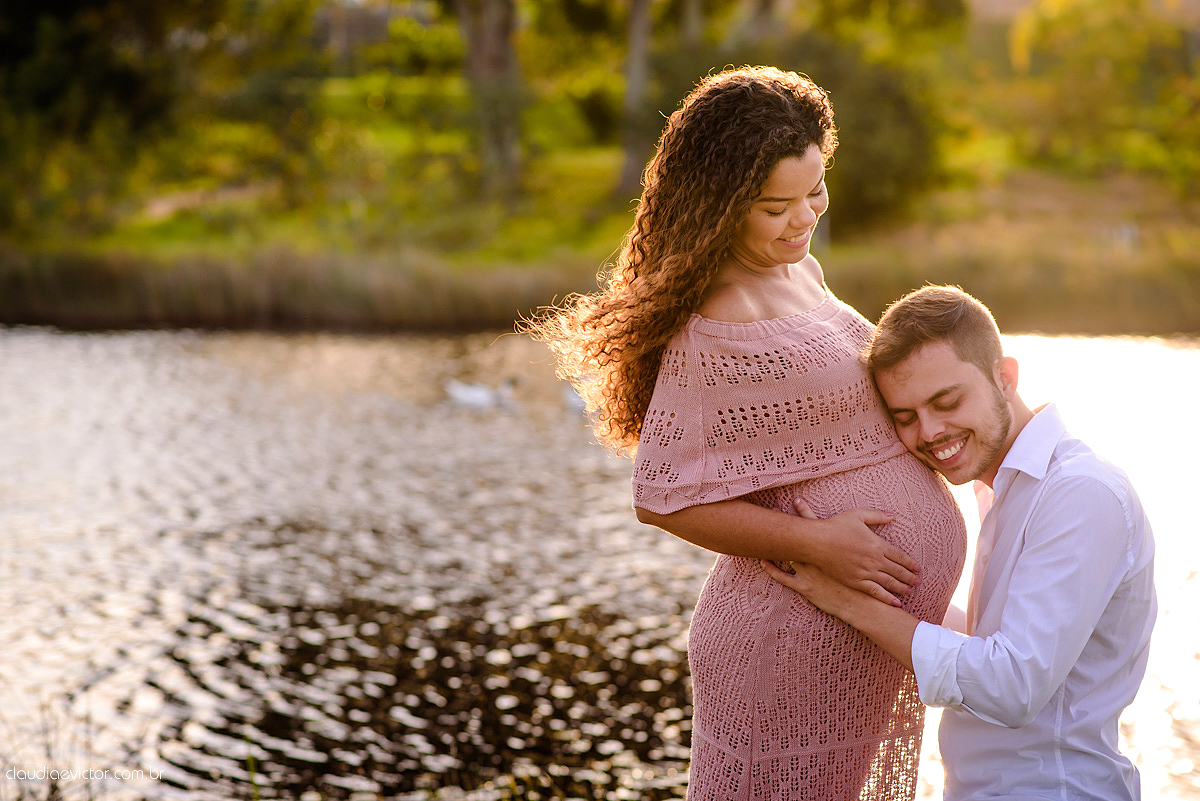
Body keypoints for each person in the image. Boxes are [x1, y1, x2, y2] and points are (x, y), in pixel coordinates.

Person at [527, 66, 967, 800]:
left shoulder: (802, 273)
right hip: (787, 644)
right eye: (775, 207)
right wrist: (818, 542)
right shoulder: (716, 322)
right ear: (722, 204)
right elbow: (661, 497)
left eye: (814, 193)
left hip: (852, 640)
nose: (803, 220)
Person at [764, 285, 1157, 800]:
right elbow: (986, 646)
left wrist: (845, 601)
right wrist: (844, 563)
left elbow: (1011, 685)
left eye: (946, 402)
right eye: (905, 417)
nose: (929, 431)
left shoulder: (1079, 491)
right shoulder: (1003, 489)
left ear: (1005, 376)